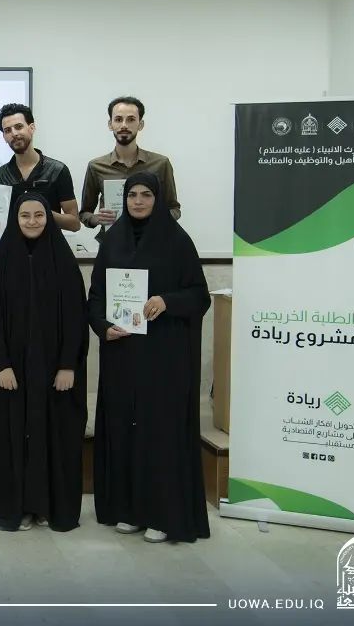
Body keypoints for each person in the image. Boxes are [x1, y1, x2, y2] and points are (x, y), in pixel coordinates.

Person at [88, 172, 210, 543]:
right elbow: (96, 296)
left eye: (146, 195)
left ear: (158, 199)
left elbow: (199, 295)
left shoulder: (177, 240)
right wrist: (103, 327)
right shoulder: (112, 240)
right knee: (125, 428)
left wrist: (166, 301)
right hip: (122, 354)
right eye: (132, 195)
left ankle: (162, 515)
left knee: (159, 432)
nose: (138, 201)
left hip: (163, 356)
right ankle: (129, 510)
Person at [0, 193, 88, 532]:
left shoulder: (64, 262)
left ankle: (47, 506)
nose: (32, 221)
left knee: (52, 436)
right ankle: (17, 507)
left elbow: (76, 316)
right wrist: (1, 365)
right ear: (15, 219)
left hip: (54, 373)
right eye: (24, 215)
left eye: (39, 215)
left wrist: (68, 364)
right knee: (11, 437)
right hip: (11, 373)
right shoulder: (1, 263)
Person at [79, 96, 181, 238]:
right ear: (110, 124)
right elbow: (84, 213)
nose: (124, 125)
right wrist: (96, 219)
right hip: (112, 241)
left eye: (131, 119)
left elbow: (174, 209)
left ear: (140, 124)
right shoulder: (96, 166)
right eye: (118, 119)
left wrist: (158, 217)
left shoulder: (161, 164)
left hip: (152, 240)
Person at [0, 103, 80, 232]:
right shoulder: (0, 175)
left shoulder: (57, 170)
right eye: (7, 130)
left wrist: (40, 212)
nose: (14, 133)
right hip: (13, 244)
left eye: (19, 127)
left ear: (32, 128)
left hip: (49, 243)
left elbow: (74, 224)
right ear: (4, 137)